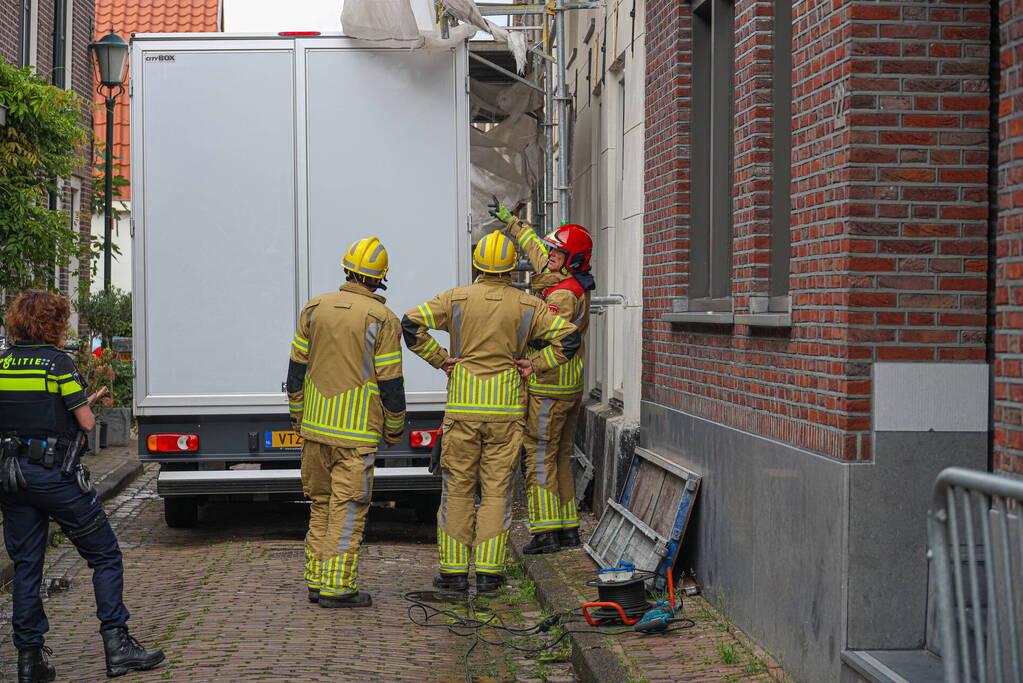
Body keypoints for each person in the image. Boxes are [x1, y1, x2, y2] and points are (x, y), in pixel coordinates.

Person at [402, 230, 581, 592]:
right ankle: (488, 573)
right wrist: (535, 363)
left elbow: (409, 323)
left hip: (463, 412)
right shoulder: (528, 305)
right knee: (497, 492)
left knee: (457, 489)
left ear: (477, 263)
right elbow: (570, 338)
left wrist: (440, 360)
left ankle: (452, 573)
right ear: (513, 268)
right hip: (506, 414)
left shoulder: (456, 298)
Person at [0, 290, 164, 682]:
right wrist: (83, 405)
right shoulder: (57, 364)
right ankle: (118, 646)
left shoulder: (3, 364)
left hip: (12, 478)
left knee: (26, 566)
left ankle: (29, 661)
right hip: (55, 478)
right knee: (105, 555)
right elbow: (87, 422)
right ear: (53, 324)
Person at [287, 237, 406, 608]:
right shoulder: (383, 319)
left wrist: (298, 416)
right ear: (380, 279)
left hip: (315, 431)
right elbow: (390, 384)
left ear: (347, 270)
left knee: (321, 505)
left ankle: (317, 580)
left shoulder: (313, 309)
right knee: (348, 509)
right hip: (356, 437)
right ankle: (338, 588)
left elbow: (295, 373)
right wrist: (394, 428)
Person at [489, 199, 595, 555]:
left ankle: (545, 532)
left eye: (557, 252)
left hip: (551, 384)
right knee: (560, 455)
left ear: (572, 260)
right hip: (569, 383)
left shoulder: (562, 296)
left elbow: (557, 340)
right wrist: (512, 222)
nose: (549, 255)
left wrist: (531, 362)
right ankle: (567, 530)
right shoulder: (565, 278)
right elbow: (537, 251)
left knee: (538, 454)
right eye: (551, 250)